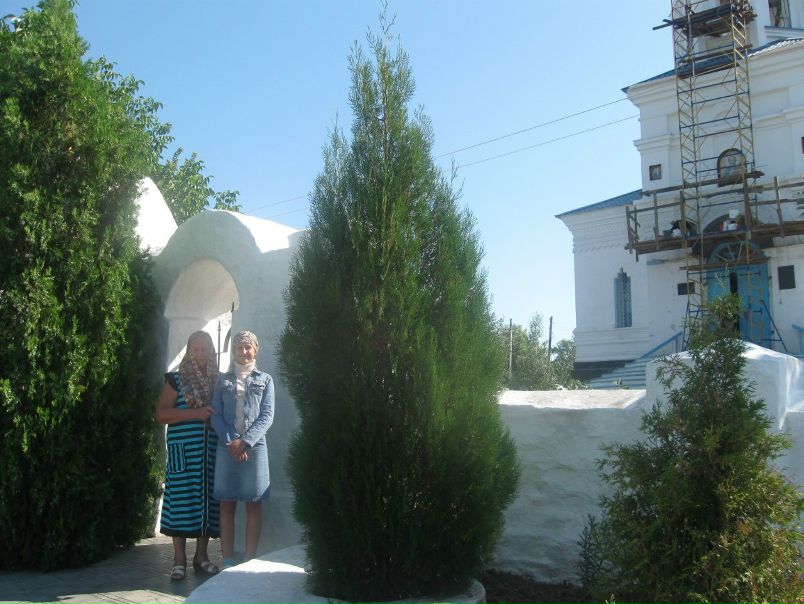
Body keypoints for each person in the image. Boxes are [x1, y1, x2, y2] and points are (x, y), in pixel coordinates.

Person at [155, 331, 221, 581]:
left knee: (207, 503)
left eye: (205, 348)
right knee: (182, 503)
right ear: (189, 351)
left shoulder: (218, 380)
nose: (201, 353)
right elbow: (161, 414)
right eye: (196, 349)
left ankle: (201, 557)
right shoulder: (176, 379)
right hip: (183, 452)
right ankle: (179, 559)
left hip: (209, 453)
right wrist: (195, 414)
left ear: (211, 351)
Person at [211, 330, 275, 568]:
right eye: (239, 347)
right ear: (234, 351)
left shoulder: (265, 380)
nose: (244, 351)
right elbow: (215, 414)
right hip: (227, 447)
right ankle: (227, 559)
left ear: (255, 350)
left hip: (255, 448)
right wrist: (232, 441)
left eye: (248, 347)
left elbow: (267, 416)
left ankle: (249, 559)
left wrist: (245, 442)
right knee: (226, 502)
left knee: (253, 501)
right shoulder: (222, 380)